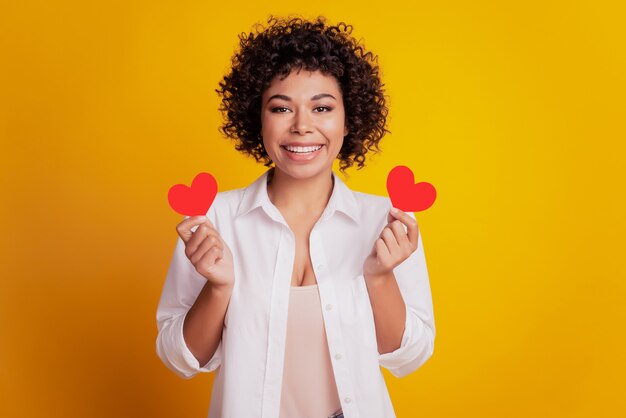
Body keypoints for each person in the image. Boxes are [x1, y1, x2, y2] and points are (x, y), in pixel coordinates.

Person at [156, 16, 435, 418]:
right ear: (259, 119)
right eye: (281, 108)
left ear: (347, 118)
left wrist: (379, 277)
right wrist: (218, 288)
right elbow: (179, 359)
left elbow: (408, 357)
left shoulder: (386, 223)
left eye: (322, 107)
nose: (302, 126)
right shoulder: (214, 218)